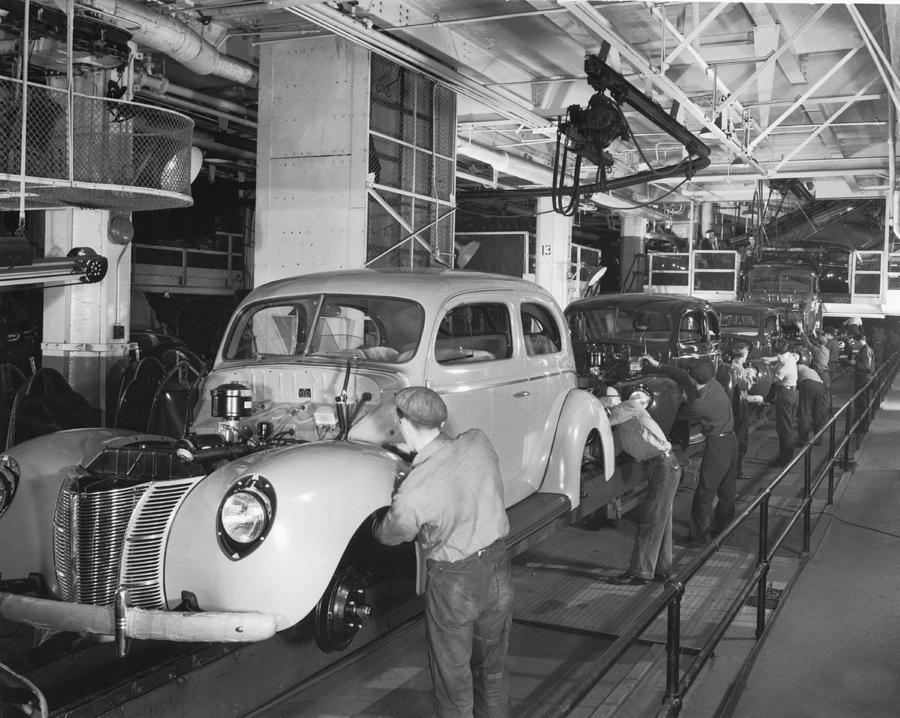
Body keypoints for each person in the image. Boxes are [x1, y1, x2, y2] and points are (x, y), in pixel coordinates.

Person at [373, 386, 513, 718]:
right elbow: (456, 467)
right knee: (492, 671)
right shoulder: (479, 441)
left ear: (404, 423)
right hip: (498, 568)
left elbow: (394, 534)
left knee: (454, 684)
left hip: (455, 583)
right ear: (441, 419)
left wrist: (376, 525)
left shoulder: (415, 489)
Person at [643, 357, 737, 548]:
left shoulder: (698, 405)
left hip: (718, 445)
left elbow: (676, 416)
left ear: (694, 380)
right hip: (731, 440)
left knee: (705, 491)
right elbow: (684, 377)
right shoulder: (714, 383)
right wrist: (659, 365)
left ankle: (698, 537)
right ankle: (724, 528)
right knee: (727, 489)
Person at [604, 389, 682, 586]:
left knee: (650, 519)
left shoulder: (628, 406)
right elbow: (615, 446)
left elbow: (608, 421)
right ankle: (662, 569)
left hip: (664, 466)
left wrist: (594, 415)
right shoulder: (625, 425)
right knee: (660, 520)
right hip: (663, 466)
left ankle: (640, 572)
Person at [728, 342, 763, 480]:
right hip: (740, 406)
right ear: (745, 354)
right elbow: (745, 387)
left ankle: (736, 468)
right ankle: (736, 470)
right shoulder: (737, 369)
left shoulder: (732, 367)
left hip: (737, 405)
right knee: (741, 439)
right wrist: (750, 376)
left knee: (740, 437)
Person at [764, 339, 799, 466]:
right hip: (793, 393)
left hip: (785, 395)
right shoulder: (790, 357)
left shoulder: (783, 368)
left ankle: (785, 459)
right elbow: (778, 358)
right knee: (788, 425)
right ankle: (788, 455)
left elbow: (770, 381)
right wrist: (767, 359)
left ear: (777, 353)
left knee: (784, 428)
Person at [796, 359, 827, 446]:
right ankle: (818, 439)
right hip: (820, 386)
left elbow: (793, 382)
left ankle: (803, 440)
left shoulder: (795, 367)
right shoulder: (808, 369)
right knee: (817, 413)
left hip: (808, 384)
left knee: (804, 413)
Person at [850, 334, 875, 432]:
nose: (854, 345)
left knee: (861, 400)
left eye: (855, 342)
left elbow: (867, 366)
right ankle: (861, 423)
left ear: (859, 341)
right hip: (863, 377)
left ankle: (862, 426)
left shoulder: (865, 350)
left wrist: (855, 363)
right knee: (861, 400)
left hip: (863, 378)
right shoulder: (865, 349)